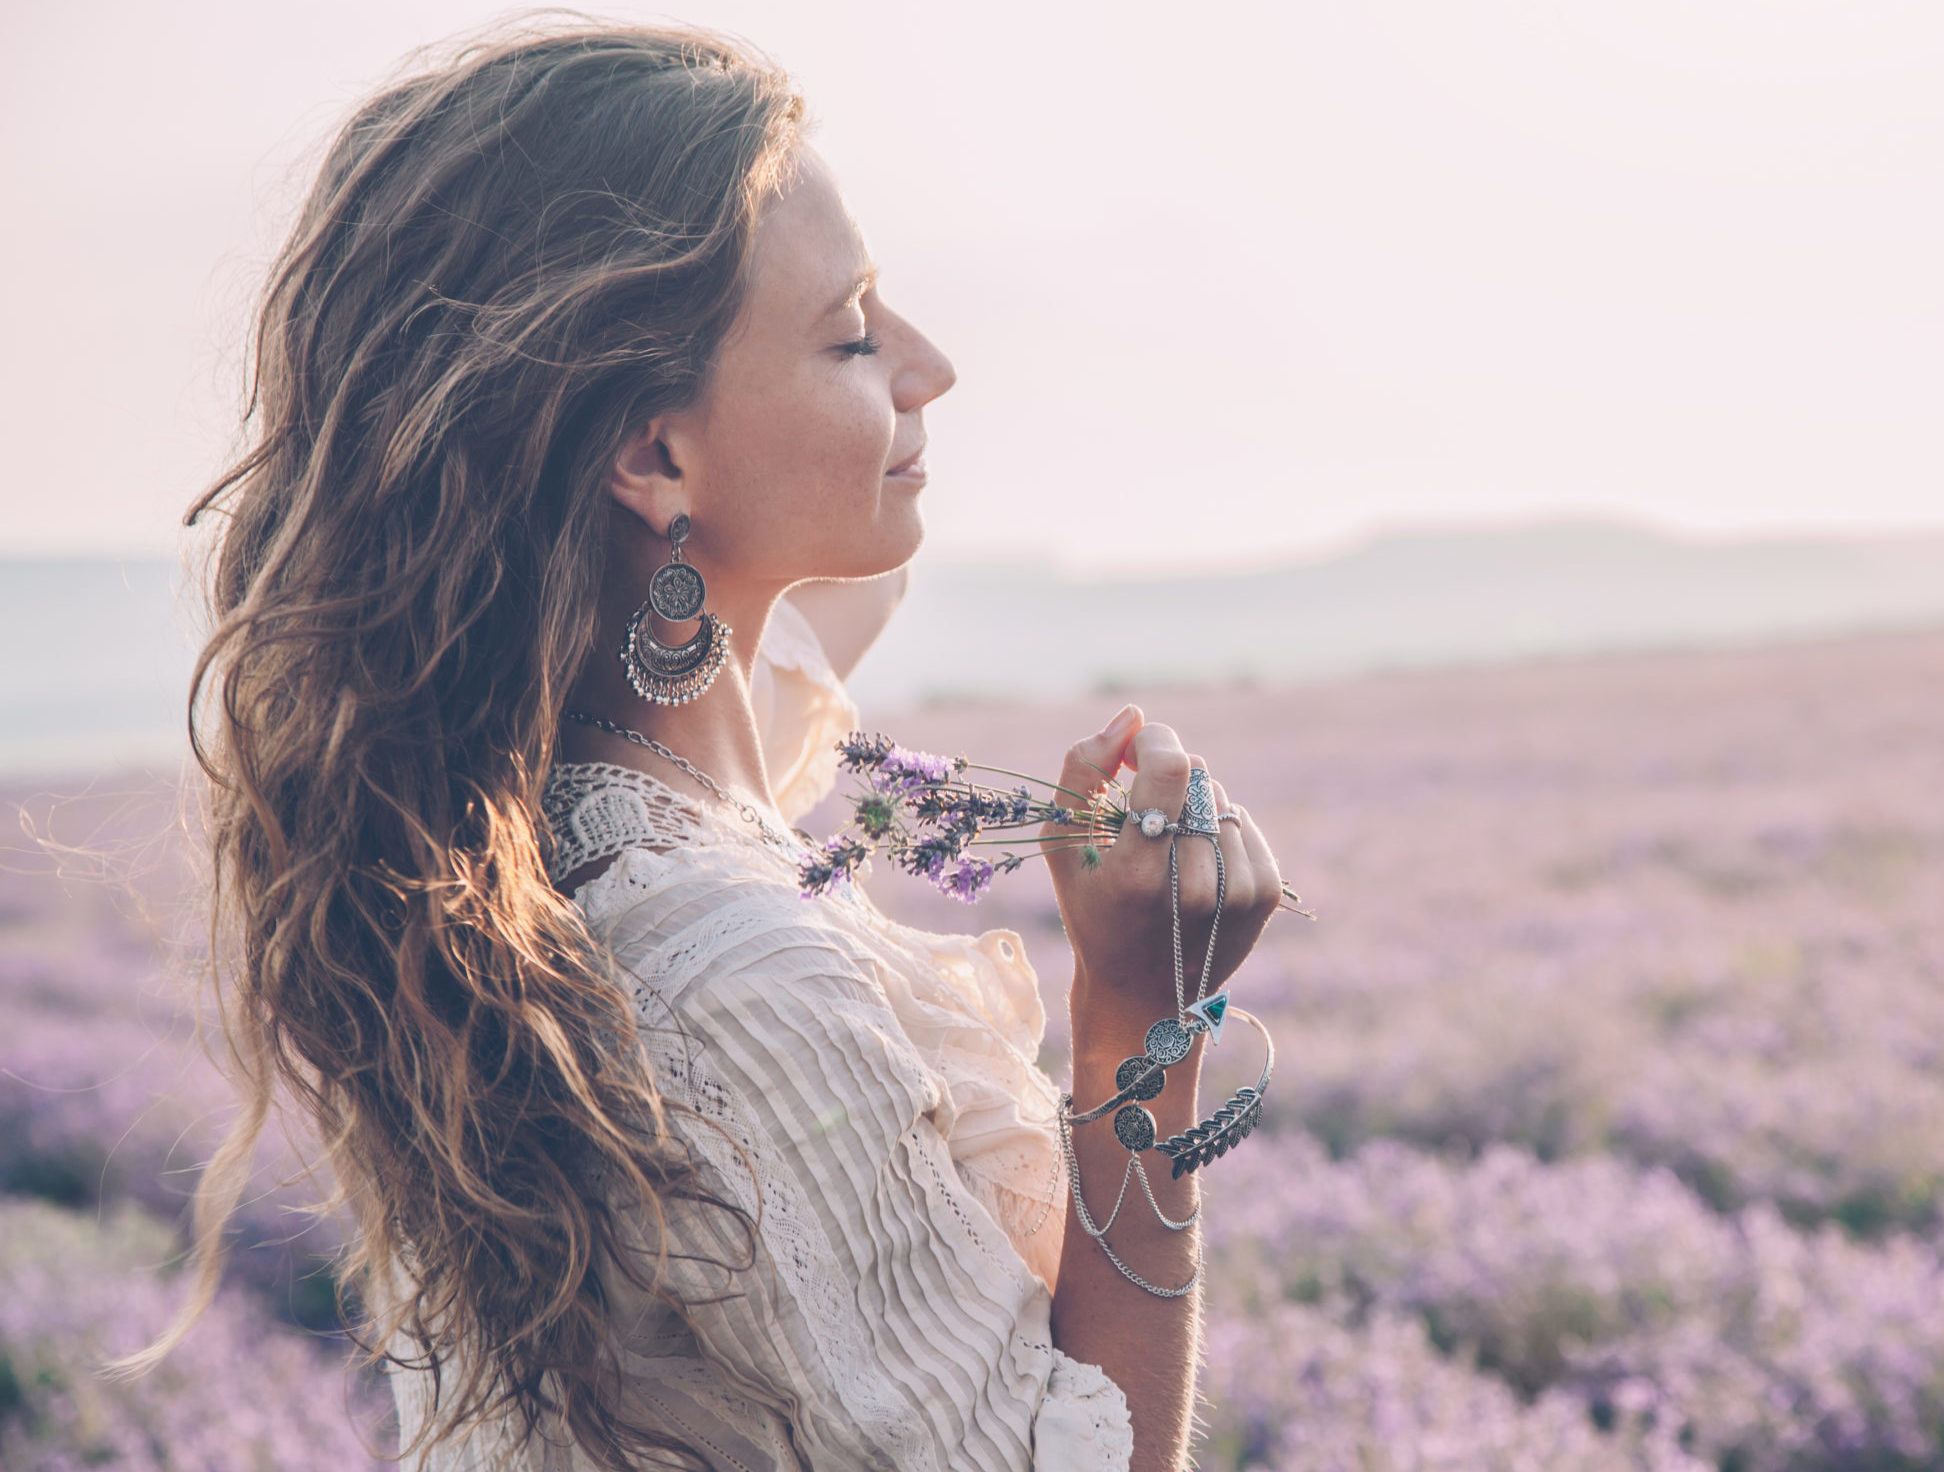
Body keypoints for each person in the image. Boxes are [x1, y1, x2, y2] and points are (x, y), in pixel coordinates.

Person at [111, 15, 1286, 1471]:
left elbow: (819, 603)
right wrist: (1143, 1021)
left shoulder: (558, 808)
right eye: (855, 334)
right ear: (655, 457)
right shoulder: (743, 974)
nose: (932, 367)